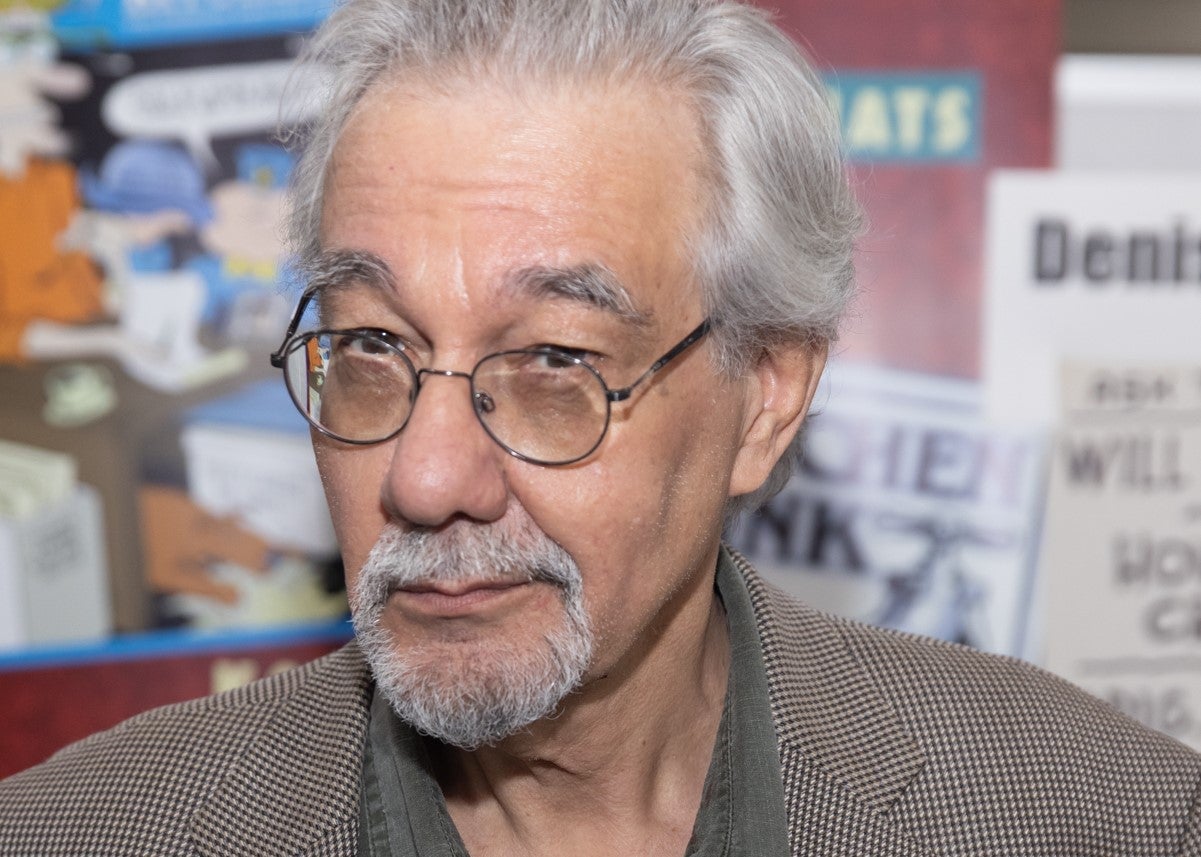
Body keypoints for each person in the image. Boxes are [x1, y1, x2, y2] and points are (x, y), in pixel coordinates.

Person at [2, 0, 1199, 854]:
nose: (422, 476)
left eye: (555, 364)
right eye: (371, 348)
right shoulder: (78, 831)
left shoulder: (1099, 815)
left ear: (765, 397)